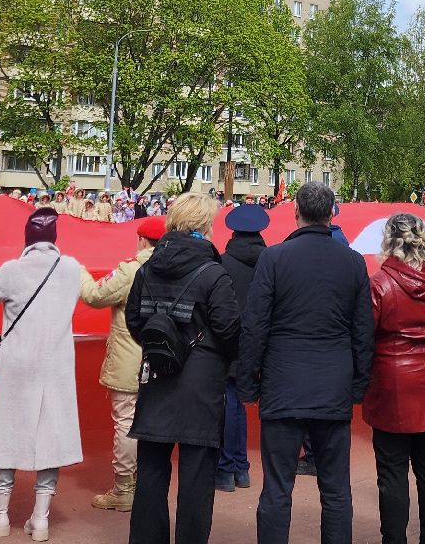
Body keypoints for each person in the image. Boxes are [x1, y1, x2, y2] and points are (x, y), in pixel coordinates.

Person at [236, 182, 372, 544]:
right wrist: (359, 383)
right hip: (333, 386)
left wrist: (248, 384)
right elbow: (363, 330)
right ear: (331, 214)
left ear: (296, 213)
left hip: (282, 386)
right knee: (336, 488)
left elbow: (255, 326)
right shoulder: (353, 261)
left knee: (277, 488)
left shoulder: (275, 258)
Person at [124, 192, 242, 544]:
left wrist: (159, 346)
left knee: (150, 474)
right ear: (205, 226)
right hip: (201, 384)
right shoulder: (213, 273)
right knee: (197, 478)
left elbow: (135, 319)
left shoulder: (146, 268)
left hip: (158, 375)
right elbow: (229, 330)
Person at [0, 207, 83, 540]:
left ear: (27, 237)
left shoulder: (14, 269)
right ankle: (40, 520)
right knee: (51, 438)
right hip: (56, 365)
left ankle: (0, 517)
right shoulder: (72, 268)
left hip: (17, 364)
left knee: (8, 432)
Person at [364, 212, 425, 544]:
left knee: (392, 473)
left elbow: (365, 335)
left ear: (389, 241)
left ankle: (394, 539)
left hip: (392, 385)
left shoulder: (381, 283)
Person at [82, 216, 163, 513]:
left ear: (142, 240)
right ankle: (147, 484)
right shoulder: (174, 265)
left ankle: (124, 488)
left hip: (131, 358)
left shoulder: (130, 269)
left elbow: (95, 296)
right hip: (165, 358)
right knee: (154, 422)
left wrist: (80, 273)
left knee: (127, 421)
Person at [217, 202, 268, 491]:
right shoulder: (271, 260)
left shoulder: (222, 262)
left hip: (229, 341)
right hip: (260, 341)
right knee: (244, 405)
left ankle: (228, 469)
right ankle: (242, 468)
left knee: (230, 403)